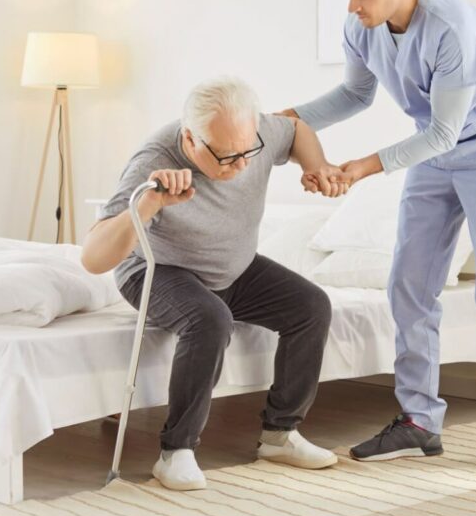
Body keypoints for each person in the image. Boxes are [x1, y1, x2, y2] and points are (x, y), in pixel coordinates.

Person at [282, 0, 476, 477]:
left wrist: (362, 168)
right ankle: (419, 422)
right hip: (434, 146)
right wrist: (293, 118)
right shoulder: (363, 25)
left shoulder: (453, 27)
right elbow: (355, 93)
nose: (353, 6)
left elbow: (447, 134)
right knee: (409, 283)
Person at [82, 76, 348, 491]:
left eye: (248, 152)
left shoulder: (251, 133)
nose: (241, 165)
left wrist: (317, 165)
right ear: (190, 138)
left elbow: (296, 129)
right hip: (157, 270)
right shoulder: (154, 157)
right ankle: (176, 452)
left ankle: (279, 435)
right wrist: (152, 201)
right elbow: (93, 257)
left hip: (233, 267)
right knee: (210, 320)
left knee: (311, 307)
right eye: (226, 157)